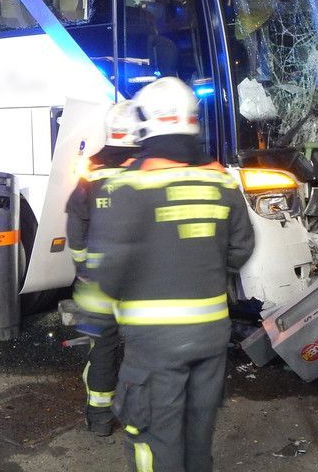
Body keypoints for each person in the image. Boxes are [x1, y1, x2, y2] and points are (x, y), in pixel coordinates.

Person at [89, 77, 254, 472]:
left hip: (154, 343)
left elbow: (107, 269)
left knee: (153, 439)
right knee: (198, 436)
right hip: (211, 335)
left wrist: (97, 314)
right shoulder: (221, 180)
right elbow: (241, 249)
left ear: (145, 124)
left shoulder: (129, 185)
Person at [65, 100, 140, 437]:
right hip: (141, 280)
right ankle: (139, 417)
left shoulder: (91, 168)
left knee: (104, 347)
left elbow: (76, 221)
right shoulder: (150, 169)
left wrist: (82, 264)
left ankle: (99, 420)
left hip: (99, 280)